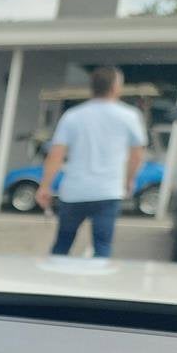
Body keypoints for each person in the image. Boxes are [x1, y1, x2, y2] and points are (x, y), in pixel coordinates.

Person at [36, 66, 147, 258]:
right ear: (115, 87)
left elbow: (56, 155)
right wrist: (129, 180)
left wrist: (45, 186)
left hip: (74, 190)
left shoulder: (73, 116)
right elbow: (137, 155)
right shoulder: (129, 116)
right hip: (107, 190)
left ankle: (52, 282)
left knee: (63, 243)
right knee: (102, 245)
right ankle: (96, 284)